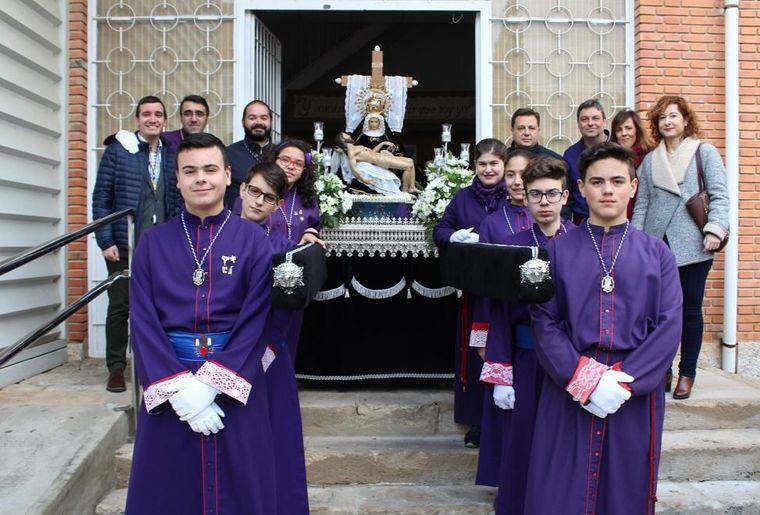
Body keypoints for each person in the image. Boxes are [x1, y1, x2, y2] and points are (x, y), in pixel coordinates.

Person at [525, 142, 683, 515]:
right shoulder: (558, 251)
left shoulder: (657, 253)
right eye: (597, 182)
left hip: (633, 392)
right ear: (581, 189)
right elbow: (543, 320)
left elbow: (669, 324)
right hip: (568, 386)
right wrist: (586, 379)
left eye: (617, 180)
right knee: (558, 490)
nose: (607, 190)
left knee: (624, 491)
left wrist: (623, 383)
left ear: (633, 186)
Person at [125, 133, 279, 514]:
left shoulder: (254, 241)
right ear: (177, 179)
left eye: (210, 169)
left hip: (235, 383)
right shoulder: (152, 242)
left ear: (229, 176)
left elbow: (257, 318)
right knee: (167, 489)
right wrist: (179, 390)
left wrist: (211, 384)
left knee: (241, 484)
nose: (201, 179)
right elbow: (143, 321)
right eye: (189, 171)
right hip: (171, 387)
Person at [478, 156, 573, 514]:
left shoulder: (581, 242)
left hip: (569, 363)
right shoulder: (511, 245)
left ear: (565, 196)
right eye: (536, 195)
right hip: (526, 359)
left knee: (564, 441)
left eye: (551, 194)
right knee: (524, 442)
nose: (544, 202)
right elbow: (498, 312)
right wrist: (501, 372)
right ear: (525, 198)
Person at [632, 96, 729, 399]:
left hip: (694, 243)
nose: (667, 122)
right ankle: (663, 369)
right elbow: (643, 203)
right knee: (658, 312)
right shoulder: (650, 160)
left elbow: (720, 195)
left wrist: (715, 229)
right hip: (656, 243)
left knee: (689, 310)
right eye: (661, 118)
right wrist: (635, 240)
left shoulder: (705, 152)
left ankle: (687, 373)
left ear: (686, 119)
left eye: (673, 116)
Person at [237, 161, 313, 514]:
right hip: (221, 353)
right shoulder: (216, 236)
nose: (258, 201)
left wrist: (265, 352)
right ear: (241, 189)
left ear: (279, 204)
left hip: (266, 355)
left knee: (272, 438)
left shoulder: (284, 248)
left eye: (268, 197)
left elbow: (286, 309)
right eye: (254, 191)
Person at [92, 95, 179, 392]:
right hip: (124, 243)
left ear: (165, 120)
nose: (152, 119)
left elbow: (177, 199)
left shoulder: (172, 153)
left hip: (162, 248)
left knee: (159, 308)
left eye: (158, 114)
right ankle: (117, 368)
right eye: (146, 114)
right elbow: (101, 197)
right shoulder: (120, 151)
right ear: (137, 119)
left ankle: (153, 365)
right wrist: (104, 239)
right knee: (120, 305)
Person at [433, 138, 509, 448]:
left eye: (494, 164)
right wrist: (455, 235)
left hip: (506, 292)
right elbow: (439, 231)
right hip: (476, 294)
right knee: (476, 355)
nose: (489, 169)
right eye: (483, 164)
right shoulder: (463, 198)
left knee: (503, 351)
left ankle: (503, 418)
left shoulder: (515, 195)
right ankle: (477, 421)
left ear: (504, 165)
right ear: (474, 166)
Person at [263, 140, 321, 359]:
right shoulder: (258, 191)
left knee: (287, 341)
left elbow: (314, 226)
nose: (290, 166)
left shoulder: (308, 198)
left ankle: (283, 385)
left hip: (291, 282)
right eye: (285, 160)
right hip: (260, 277)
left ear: (304, 170)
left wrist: (310, 234)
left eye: (298, 163)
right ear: (274, 161)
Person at [563, 99, 609, 223]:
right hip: (581, 224)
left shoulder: (618, 151)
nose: (590, 123)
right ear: (578, 123)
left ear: (604, 121)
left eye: (595, 118)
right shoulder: (570, 155)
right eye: (584, 119)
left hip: (614, 222)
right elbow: (567, 197)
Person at [334, 131, 417, 194]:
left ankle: (412, 187)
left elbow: (372, 153)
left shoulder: (355, 147)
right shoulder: (351, 152)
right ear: (343, 139)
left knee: (410, 161)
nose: (349, 135)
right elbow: (353, 168)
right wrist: (364, 179)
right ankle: (405, 191)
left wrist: (382, 144)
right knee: (407, 166)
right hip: (381, 161)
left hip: (381, 156)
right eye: (346, 135)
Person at [226, 100, 274, 208]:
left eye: (264, 118)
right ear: (243, 122)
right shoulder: (228, 153)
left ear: (271, 122)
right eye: (252, 118)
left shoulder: (281, 155)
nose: (258, 122)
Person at [610, 109, 655, 219]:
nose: (624, 133)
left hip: (647, 221)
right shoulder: (610, 159)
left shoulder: (651, 156)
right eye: (619, 130)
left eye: (628, 128)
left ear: (637, 130)